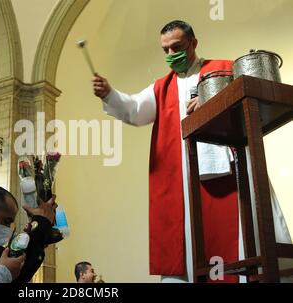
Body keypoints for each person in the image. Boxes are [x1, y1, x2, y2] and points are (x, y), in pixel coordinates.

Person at [92, 20, 292, 283]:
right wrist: (109, 93)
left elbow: (248, 98)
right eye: (165, 49)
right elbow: (134, 109)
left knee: (241, 236)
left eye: (177, 47)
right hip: (182, 179)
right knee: (187, 245)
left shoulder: (221, 69)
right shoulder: (162, 87)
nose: (170, 54)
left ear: (193, 43)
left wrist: (213, 99)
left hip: (228, 173)